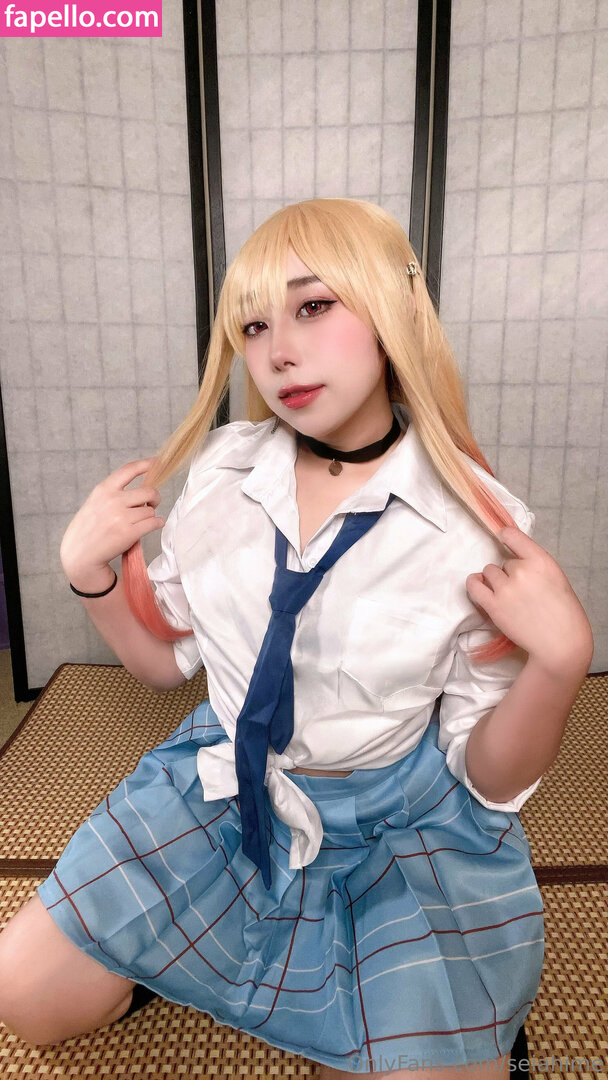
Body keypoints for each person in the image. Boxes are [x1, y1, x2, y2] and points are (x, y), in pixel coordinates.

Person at [0, 199, 593, 1078]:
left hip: (388, 823)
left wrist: (561, 664)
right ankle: (191, 951)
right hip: (222, 784)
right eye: (253, 324)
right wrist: (92, 577)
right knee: (23, 1000)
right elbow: (163, 664)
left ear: (391, 313)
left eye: (314, 306)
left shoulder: (476, 522)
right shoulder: (224, 471)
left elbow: (490, 780)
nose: (278, 351)